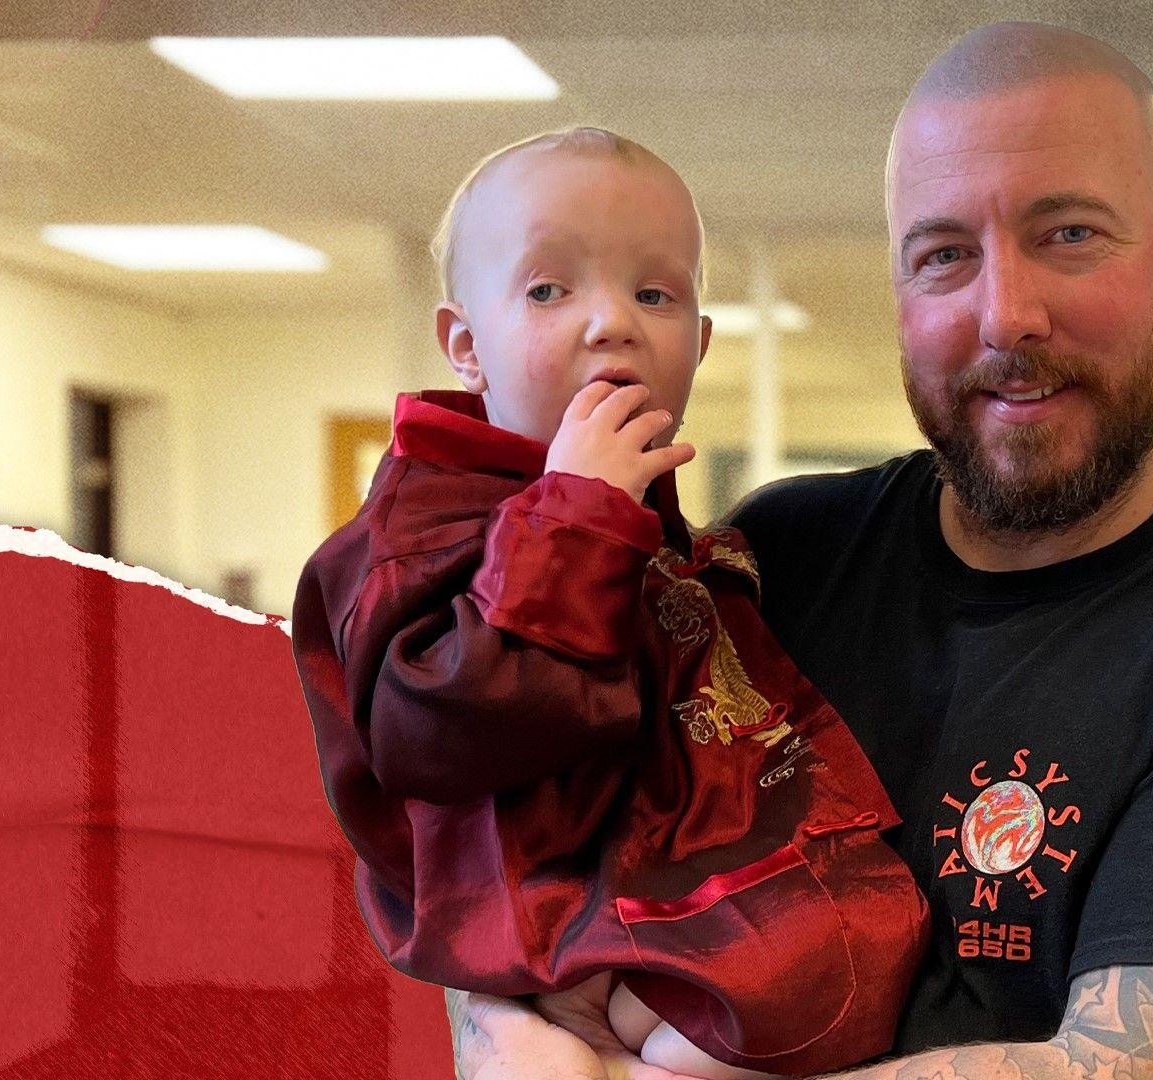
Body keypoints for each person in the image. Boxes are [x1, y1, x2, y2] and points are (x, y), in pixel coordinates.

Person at [448, 22, 1153, 1080]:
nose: (1006, 315)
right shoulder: (772, 563)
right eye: (943, 256)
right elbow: (519, 876)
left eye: (1069, 234)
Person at [291, 127, 929, 1080]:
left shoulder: (637, 499)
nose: (612, 322)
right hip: (538, 895)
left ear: (700, 346)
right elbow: (435, 730)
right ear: (466, 345)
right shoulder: (416, 528)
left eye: (655, 293)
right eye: (549, 289)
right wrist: (580, 518)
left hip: (648, 881)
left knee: (867, 943)